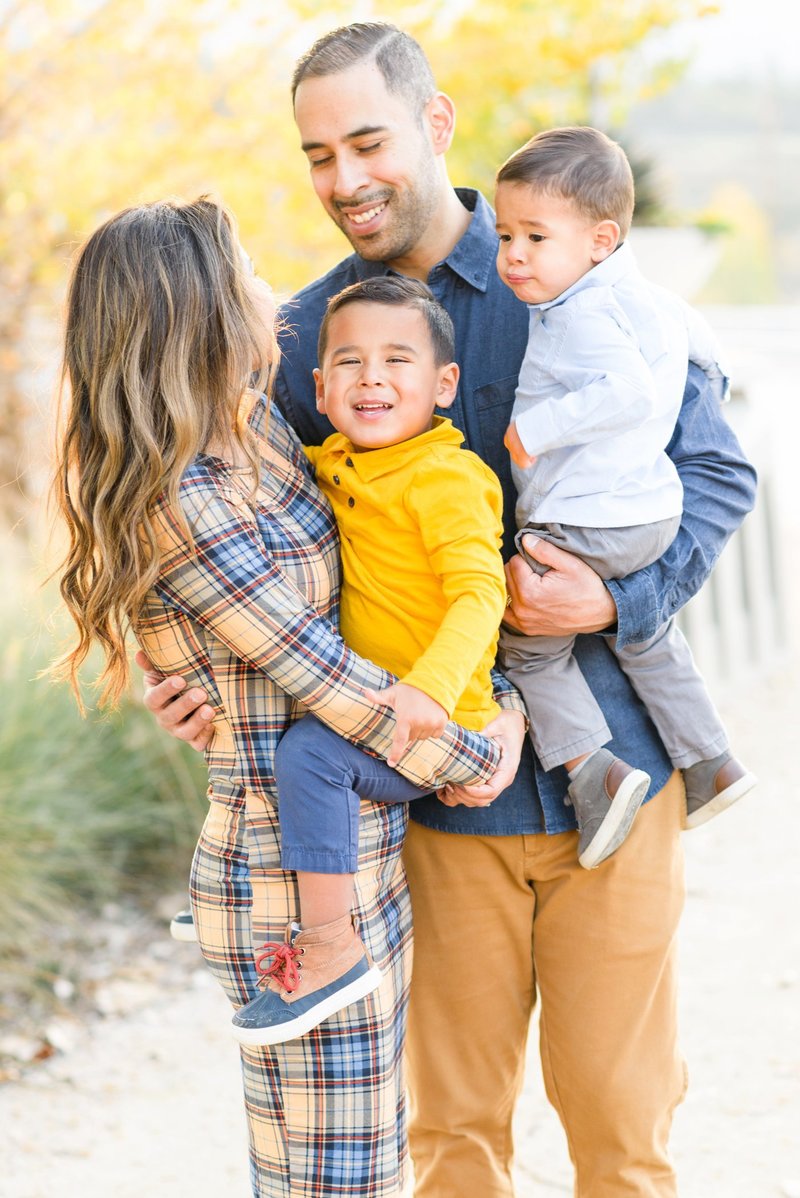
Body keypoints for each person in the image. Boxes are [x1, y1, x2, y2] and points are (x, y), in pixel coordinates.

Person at [140, 22, 757, 1197]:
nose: (344, 180)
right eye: (316, 155)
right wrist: (191, 677)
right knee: (452, 1143)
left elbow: (717, 470)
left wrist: (614, 599)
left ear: (433, 125)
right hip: (424, 800)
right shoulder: (296, 346)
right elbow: (249, 537)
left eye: (366, 140)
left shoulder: (571, 271)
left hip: (611, 778)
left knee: (623, 1135)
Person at [52, 196, 524, 1198]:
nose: (270, 289)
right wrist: (480, 752)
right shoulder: (187, 499)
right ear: (204, 311)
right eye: (247, 272)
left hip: (350, 852)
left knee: (353, 1165)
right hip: (285, 883)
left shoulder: (253, 429)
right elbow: (321, 675)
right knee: (332, 1180)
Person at [232, 274, 510, 1047]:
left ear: (444, 384)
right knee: (263, 721)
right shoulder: (335, 464)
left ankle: (330, 946)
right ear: (320, 389)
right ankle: (236, 877)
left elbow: (481, 594)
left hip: (436, 723)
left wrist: (431, 687)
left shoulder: (447, 479)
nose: (373, 378)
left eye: (397, 360)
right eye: (349, 363)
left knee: (312, 756)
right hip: (381, 710)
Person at [494, 126, 756, 870]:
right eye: (507, 234)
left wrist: (533, 429)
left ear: (601, 239)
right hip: (647, 514)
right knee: (644, 634)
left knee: (530, 644)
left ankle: (593, 773)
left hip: (589, 519)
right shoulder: (651, 301)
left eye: (535, 237)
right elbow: (704, 359)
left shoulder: (579, 314)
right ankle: (710, 759)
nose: (513, 254)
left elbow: (628, 391)